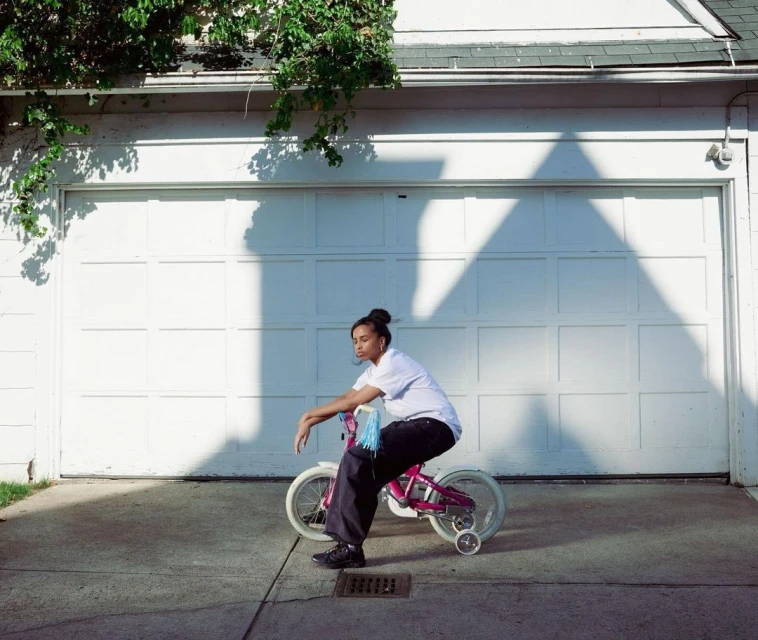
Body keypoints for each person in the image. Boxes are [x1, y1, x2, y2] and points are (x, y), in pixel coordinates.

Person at [293, 308, 462, 569]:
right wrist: (310, 422)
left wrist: (308, 414)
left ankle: (350, 548)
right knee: (364, 472)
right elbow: (345, 399)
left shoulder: (393, 362)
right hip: (420, 426)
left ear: (381, 341)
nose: (358, 346)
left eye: (364, 339)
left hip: (433, 426)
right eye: (354, 341)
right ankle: (349, 545)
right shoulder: (374, 370)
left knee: (356, 458)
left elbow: (354, 402)